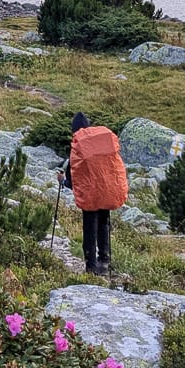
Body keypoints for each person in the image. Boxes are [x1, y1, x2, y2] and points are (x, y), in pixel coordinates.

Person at [59, 112, 128, 276]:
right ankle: (104, 261)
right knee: (103, 224)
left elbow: (72, 181)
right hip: (106, 192)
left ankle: (91, 267)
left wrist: (61, 181)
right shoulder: (103, 145)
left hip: (90, 197)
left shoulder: (78, 148)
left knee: (90, 229)